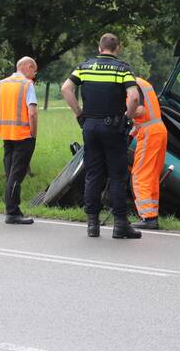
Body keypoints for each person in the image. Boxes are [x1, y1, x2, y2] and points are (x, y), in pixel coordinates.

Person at [61, 34, 142, 239]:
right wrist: (127, 118)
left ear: (100, 48)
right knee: (116, 175)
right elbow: (133, 97)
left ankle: (92, 225)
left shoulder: (84, 67)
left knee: (93, 175)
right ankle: (120, 225)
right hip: (113, 127)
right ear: (117, 48)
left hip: (90, 126)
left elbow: (66, 88)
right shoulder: (122, 68)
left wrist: (78, 112)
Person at [0, 57, 38, 225]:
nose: (34, 75)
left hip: (6, 135)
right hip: (24, 135)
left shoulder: (0, 84)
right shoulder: (27, 84)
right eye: (34, 71)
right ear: (28, 67)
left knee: (10, 173)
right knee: (17, 175)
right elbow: (32, 112)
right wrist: (33, 134)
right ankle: (12, 213)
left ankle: (12, 210)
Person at [128, 76, 168, 229]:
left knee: (140, 175)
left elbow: (140, 110)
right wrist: (130, 135)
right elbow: (147, 115)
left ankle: (148, 217)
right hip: (158, 130)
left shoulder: (130, 86)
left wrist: (124, 114)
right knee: (151, 176)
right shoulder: (142, 82)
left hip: (149, 133)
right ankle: (152, 215)